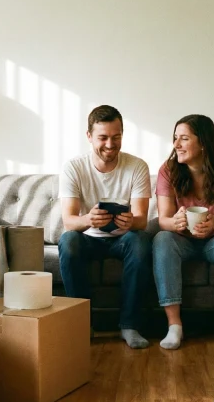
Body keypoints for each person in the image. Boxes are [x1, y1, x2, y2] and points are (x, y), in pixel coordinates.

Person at [58, 105, 152, 349]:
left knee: (140, 240)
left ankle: (130, 325)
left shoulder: (137, 166)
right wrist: (89, 219)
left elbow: (142, 220)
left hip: (123, 238)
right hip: (88, 237)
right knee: (68, 240)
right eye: (103, 138)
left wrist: (130, 221)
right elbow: (69, 221)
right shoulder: (73, 167)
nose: (110, 144)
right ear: (89, 136)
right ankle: (83, 324)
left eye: (116, 137)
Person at [152, 114, 214, 349]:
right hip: (181, 241)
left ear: (203, 142)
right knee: (162, 239)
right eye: (175, 138)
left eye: (184, 138)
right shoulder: (168, 170)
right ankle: (174, 326)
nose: (176, 144)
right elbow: (163, 220)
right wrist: (175, 222)